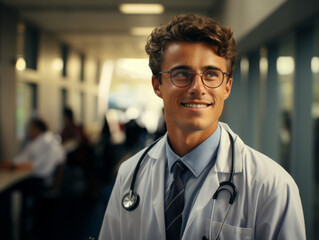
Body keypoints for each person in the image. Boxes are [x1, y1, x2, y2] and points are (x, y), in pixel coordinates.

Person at [98, 14, 306, 240]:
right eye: (181, 74)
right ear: (157, 85)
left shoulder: (272, 186)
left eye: (211, 74)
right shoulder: (129, 175)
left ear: (227, 87)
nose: (198, 87)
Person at [13, 118, 65, 188]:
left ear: (37, 130)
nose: (29, 132)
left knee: (18, 185)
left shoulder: (44, 143)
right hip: (51, 179)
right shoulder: (49, 138)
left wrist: (12, 165)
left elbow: (34, 164)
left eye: (31, 129)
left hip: (45, 181)